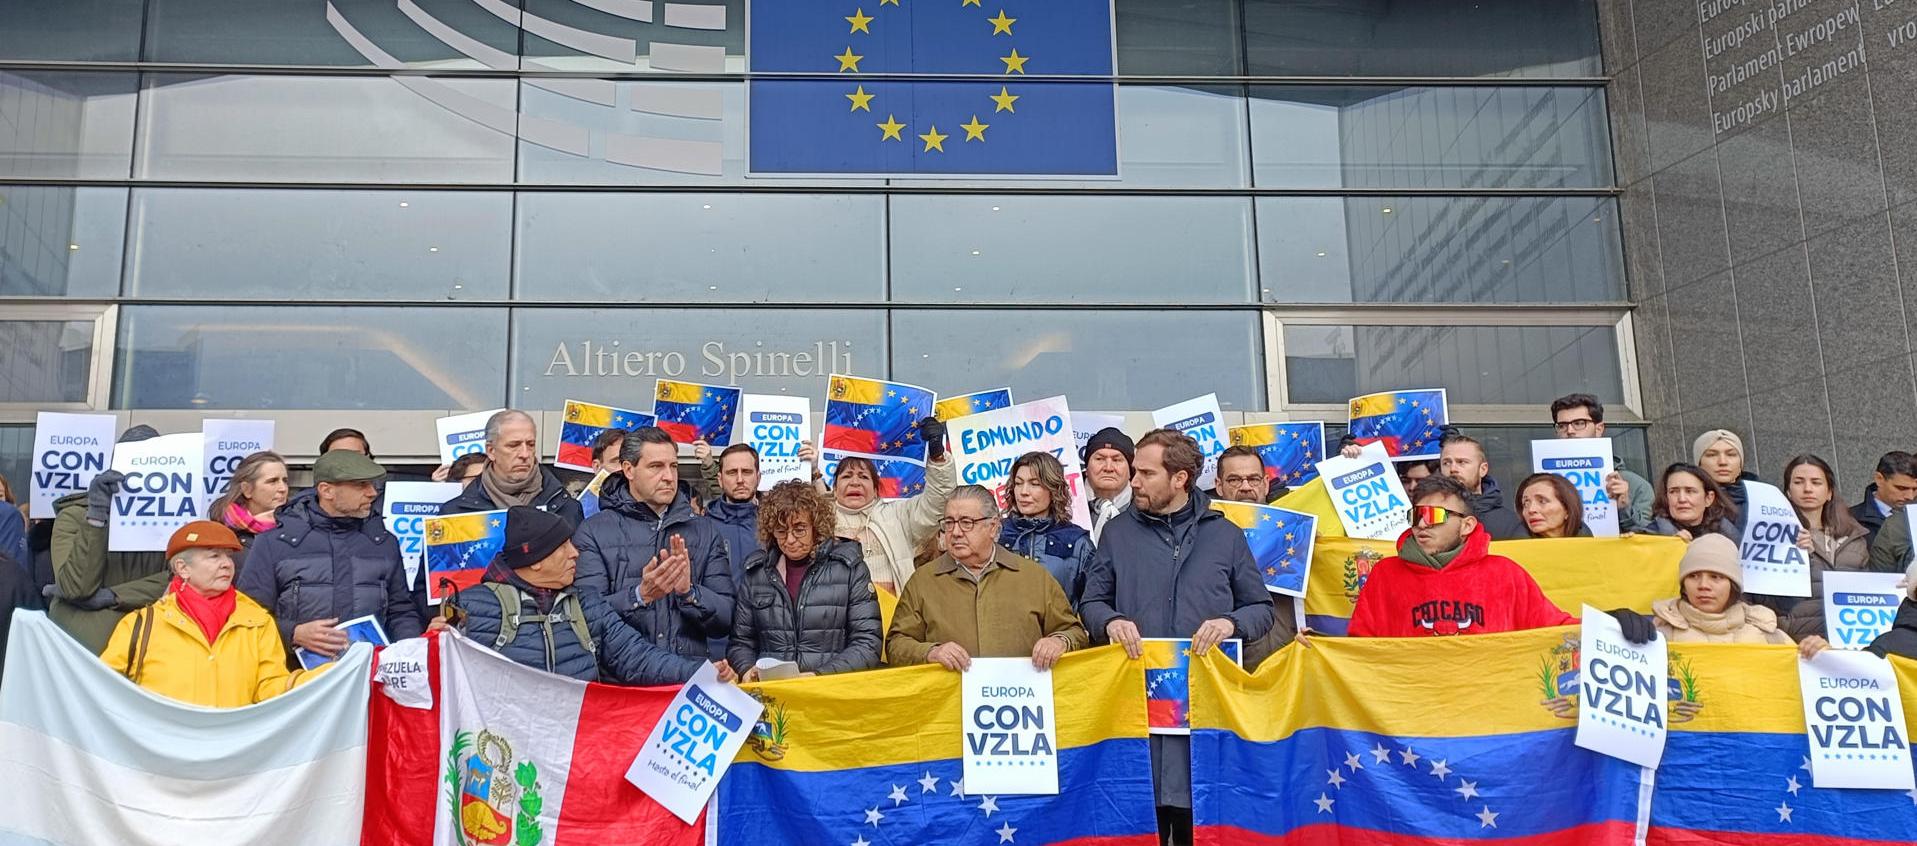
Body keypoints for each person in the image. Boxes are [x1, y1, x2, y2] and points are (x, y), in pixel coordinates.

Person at [1078, 430, 1273, 846]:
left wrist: (1230, 623)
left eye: (1146, 473)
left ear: (1180, 478)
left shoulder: (1226, 535)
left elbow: (1261, 610)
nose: (1134, 481)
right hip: (1135, 723)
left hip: (1203, 727)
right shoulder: (1117, 534)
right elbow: (1089, 604)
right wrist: (1110, 621)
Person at [447, 506, 717, 684]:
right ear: (536, 558)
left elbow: (638, 658)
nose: (575, 553)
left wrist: (702, 673)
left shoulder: (587, 603)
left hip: (575, 750)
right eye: (563, 546)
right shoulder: (469, 608)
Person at [101, 521, 322, 707]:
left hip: (230, 751)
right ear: (182, 568)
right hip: (162, 752)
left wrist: (321, 679)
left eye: (228, 557)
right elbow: (102, 688)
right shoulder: (141, 623)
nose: (227, 564)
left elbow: (268, 688)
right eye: (214, 556)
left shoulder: (257, 621)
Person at [236, 449, 424, 663]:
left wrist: (410, 656)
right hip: (296, 680)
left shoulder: (383, 541)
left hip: (370, 678)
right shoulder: (273, 542)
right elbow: (248, 616)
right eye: (360, 485)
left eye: (372, 485)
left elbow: (401, 612)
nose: (372, 492)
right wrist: (292, 633)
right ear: (326, 490)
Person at [1350, 475, 1589, 638]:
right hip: (1412, 707)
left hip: (1489, 706)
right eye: (1416, 515)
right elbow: (1359, 645)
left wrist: (1611, 626)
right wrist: (1316, 648)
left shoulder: (1504, 573)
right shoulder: (1385, 574)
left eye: (1434, 515)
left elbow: (1553, 627)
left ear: (1467, 525)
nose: (1422, 524)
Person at [573, 427, 735, 665]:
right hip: (621, 686)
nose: (669, 476)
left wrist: (690, 593)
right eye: (656, 467)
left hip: (686, 685)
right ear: (628, 469)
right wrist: (640, 596)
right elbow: (583, 619)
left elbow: (725, 620)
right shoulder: (593, 531)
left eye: (673, 466)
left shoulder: (705, 530)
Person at [887, 486, 1088, 671]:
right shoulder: (923, 581)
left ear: (993, 527)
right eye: (949, 523)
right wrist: (931, 652)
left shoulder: (1034, 576)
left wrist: (1059, 641)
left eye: (967, 523)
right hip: (947, 704)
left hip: (1020, 701)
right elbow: (896, 644)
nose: (955, 532)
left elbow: (1073, 631)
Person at [727, 481, 880, 679]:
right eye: (781, 531)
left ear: (816, 527)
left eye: (799, 530)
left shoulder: (849, 568)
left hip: (830, 693)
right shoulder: (756, 573)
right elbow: (741, 643)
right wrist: (746, 669)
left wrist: (818, 676)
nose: (790, 539)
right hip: (773, 695)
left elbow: (868, 643)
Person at [47, 425, 172, 654]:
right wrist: (96, 516)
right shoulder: (75, 515)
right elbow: (75, 587)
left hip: (149, 647)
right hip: (83, 648)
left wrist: (114, 596)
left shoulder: (176, 519)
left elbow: (182, 578)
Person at [828, 417, 956, 593]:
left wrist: (937, 457)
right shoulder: (820, 520)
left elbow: (938, 503)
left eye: (864, 477)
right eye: (847, 476)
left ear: (875, 490)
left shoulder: (897, 516)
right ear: (834, 489)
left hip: (894, 616)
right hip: (837, 618)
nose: (855, 482)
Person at [1757, 455, 1870, 640]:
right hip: (1795, 638)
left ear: (1829, 492)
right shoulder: (1772, 535)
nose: (1808, 489)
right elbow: (1764, 598)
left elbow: (1868, 591)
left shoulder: (1855, 536)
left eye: (1816, 482)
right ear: (1788, 492)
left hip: (1848, 638)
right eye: (1799, 482)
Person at [441, 410, 585, 530]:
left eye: (530, 444)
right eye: (513, 445)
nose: (524, 454)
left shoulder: (567, 508)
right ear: (491, 451)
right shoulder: (455, 513)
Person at [1650, 534, 1793, 644]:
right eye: (1693, 576)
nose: (1703, 585)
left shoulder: (1768, 635)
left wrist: (1814, 652)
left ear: (1733, 585)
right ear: (1684, 587)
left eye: (1715, 577)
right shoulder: (1660, 636)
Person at [997, 451, 1095, 605]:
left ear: (1053, 489)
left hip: (1056, 628)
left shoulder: (1077, 542)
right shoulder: (995, 533)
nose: (1023, 492)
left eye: (1034, 484)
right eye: (1018, 483)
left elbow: (1092, 603)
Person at [1551, 393, 1654, 532]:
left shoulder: (1635, 485)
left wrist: (1623, 507)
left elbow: (1647, 538)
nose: (1569, 431)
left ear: (1599, 429)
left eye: (1579, 423)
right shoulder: (1544, 481)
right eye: (1562, 425)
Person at [696, 441, 763, 594]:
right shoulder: (702, 528)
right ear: (719, 479)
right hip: (719, 616)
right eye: (732, 472)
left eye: (746, 472)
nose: (740, 479)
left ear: (758, 477)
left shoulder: (775, 526)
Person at [1436, 434, 1525, 539]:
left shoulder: (1510, 524)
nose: (1453, 468)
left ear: (1483, 469)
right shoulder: (1429, 517)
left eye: (1462, 462)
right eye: (1446, 463)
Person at [207, 451, 291, 553]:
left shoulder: (299, 526)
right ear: (247, 489)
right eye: (272, 481)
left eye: (285, 481)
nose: (283, 488)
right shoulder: (219, 534)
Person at [1646, 463, 1740, 542]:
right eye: (1673, 491)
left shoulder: (1729, 534)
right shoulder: (1648, 537)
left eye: (1690, 491)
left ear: (1709, 498)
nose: (1682, 499)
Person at [1082, 427, 1134, 545]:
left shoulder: (1147, 509)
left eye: (1117, 460)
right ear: (1087, 468)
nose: (1108, 468)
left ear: (1131, 470)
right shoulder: (1065, 505)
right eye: (1099, 459)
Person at [1851, 451, 1917, 543]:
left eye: (1914, 489)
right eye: (1901, 488)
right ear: (1879, 479)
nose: (1910, 496)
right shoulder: (1849, 520)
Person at [1693, 429, 1759, 515]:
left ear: (1740, 464)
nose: (1722, 462)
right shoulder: (1684, 501)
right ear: (1699, 463)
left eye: (1731, 454)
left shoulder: (1765, 498)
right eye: (1712, 455)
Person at [1515, 473, 1590, 539]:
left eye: (1542, 501)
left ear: (1567, 509)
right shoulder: (1514, 549)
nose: (1531, 510)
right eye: (1526, 504)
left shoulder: (1590, 547)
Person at [1215, 445, 1286, 504]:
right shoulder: (1205, 520)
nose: (1246, 487)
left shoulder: (1290, 519)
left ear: (1266, 484)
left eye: (1254, 479)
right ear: (1219, 487)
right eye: (1234, 480)